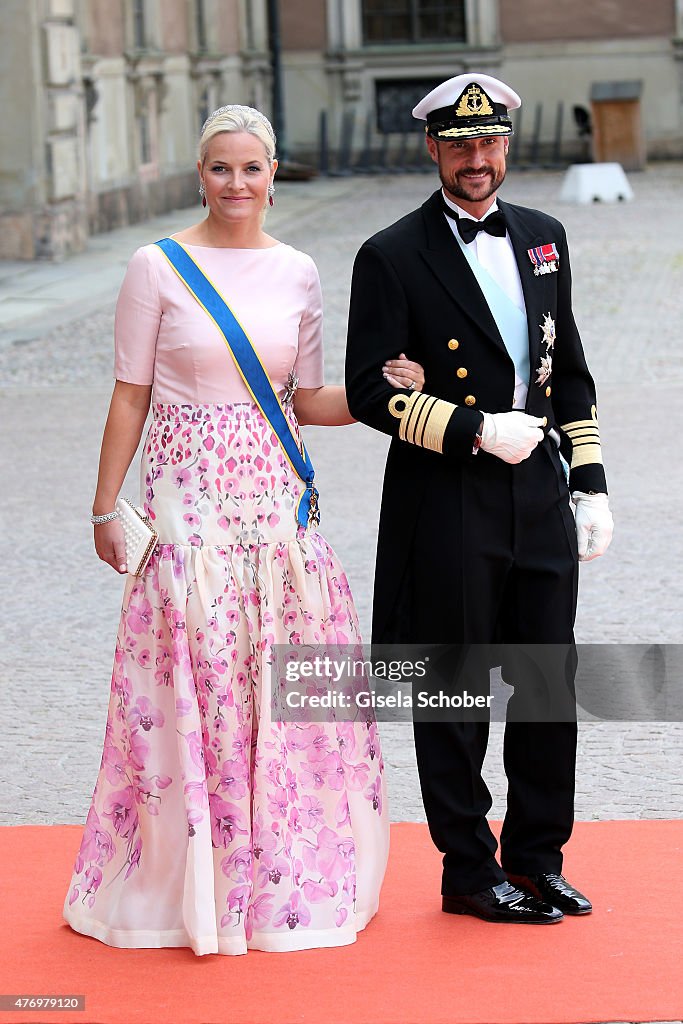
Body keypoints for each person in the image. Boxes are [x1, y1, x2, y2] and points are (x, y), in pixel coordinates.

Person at [63, 104, 425, 955]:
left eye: (251, 168)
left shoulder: (298, 270)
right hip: (188, 506)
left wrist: (381, 389)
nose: (236, 184)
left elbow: (306, 402)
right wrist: (106, 506)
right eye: (221, 168)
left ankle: (277, 874)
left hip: (273, 504)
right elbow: (130, 394)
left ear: (272, 173)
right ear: (201, 174)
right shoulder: (155, 267)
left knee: (283, 690)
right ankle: (192, 880)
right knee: (202, 682)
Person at [345, 73, 614, 924]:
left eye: (489, 143)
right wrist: (467, 427)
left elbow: (564, 368)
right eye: (459, 145)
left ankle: (538, 859)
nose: (476, 160)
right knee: (455, 687)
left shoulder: (544, 237)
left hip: (536, 487)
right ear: (431, 147)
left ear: (506, 145)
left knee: (544, 680)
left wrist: (591, 483)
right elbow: (364, 390)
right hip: (448, 493)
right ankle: (467, 867)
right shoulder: (389, 253)